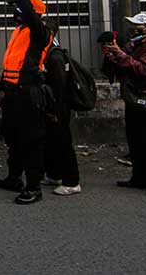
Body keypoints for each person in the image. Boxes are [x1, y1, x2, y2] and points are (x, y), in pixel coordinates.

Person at [0, 0, 53, 205]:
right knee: (13, 138)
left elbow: (28, 11)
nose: (16, 12)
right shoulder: (19, 32)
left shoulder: (39, 31)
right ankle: (14, 177)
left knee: (30, 140)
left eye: (20, 8)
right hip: (12, 93)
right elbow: (12, 64)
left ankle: (34, 187)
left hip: (28, 94)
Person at [102, 12, 146, 197]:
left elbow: (143, 69)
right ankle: (139, 177)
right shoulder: (133, 45)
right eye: (132, 27)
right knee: (136, 139)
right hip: (133, 97)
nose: (132, 30)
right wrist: (113, 57)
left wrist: (121, 55)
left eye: (137, 27)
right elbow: (123, 66)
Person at [42, 20, 82, 196]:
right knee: (51, 141)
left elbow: (59, 86)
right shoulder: (45, 52)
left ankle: (71, 181)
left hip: (58, 106)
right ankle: (54, 174)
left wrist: (54, 110)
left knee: (63, 142)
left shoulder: (55, 55)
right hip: (50, 105)